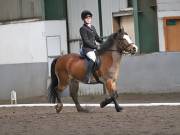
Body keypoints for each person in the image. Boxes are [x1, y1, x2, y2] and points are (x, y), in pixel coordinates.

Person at [79, 10, 103, 83]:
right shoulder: (82, 29)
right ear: (84, 19)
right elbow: (86, 41)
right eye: (86, 18)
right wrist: (96, 46)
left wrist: (104, 43)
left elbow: (97, 38)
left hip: (93, 48)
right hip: (87, 49)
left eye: (89, 18)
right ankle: (87, 77)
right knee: (93, 58)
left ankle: (98, 77)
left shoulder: (92, 27)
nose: (88, 19)